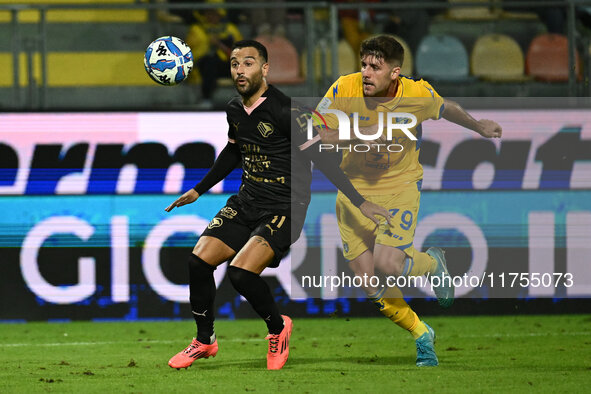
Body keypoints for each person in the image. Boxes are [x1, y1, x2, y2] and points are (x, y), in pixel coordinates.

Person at [166, 39, 392, 371]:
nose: (239, 71)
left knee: (241, 274)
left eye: (248, 63)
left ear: (265, 68)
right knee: (198, 262)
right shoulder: (234, 109)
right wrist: (200, 189)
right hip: (247, 201)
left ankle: (278, 328)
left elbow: (323, 160)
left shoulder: (288, 111)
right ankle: (205, 340)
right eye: (234, 64)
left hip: (285, 206)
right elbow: (233, 151)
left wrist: (360, 202)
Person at [315, 34, 502, 367]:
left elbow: (446, 108)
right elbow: (317, 134)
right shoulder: (344, 88)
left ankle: (431, 264)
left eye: (376, 66)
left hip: (400, 186)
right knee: (369, 283)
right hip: (353, 194)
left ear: (395, 73)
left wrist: (478, 126)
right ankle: (422, 335)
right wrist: (361, 134)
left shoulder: (416, 93)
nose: (367, 73)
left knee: (387, 264)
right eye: (364, 65)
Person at [185, 1, 242, 109]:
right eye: (208, 13)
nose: (210, 16)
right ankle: (206, 98)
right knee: (209, 63)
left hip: (225, 63)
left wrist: (220, 45)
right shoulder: (196, 29)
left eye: (214, 13)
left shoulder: (230, 29)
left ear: (220, 14)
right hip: (203, 65)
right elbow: (189, 52)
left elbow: (241, 51)